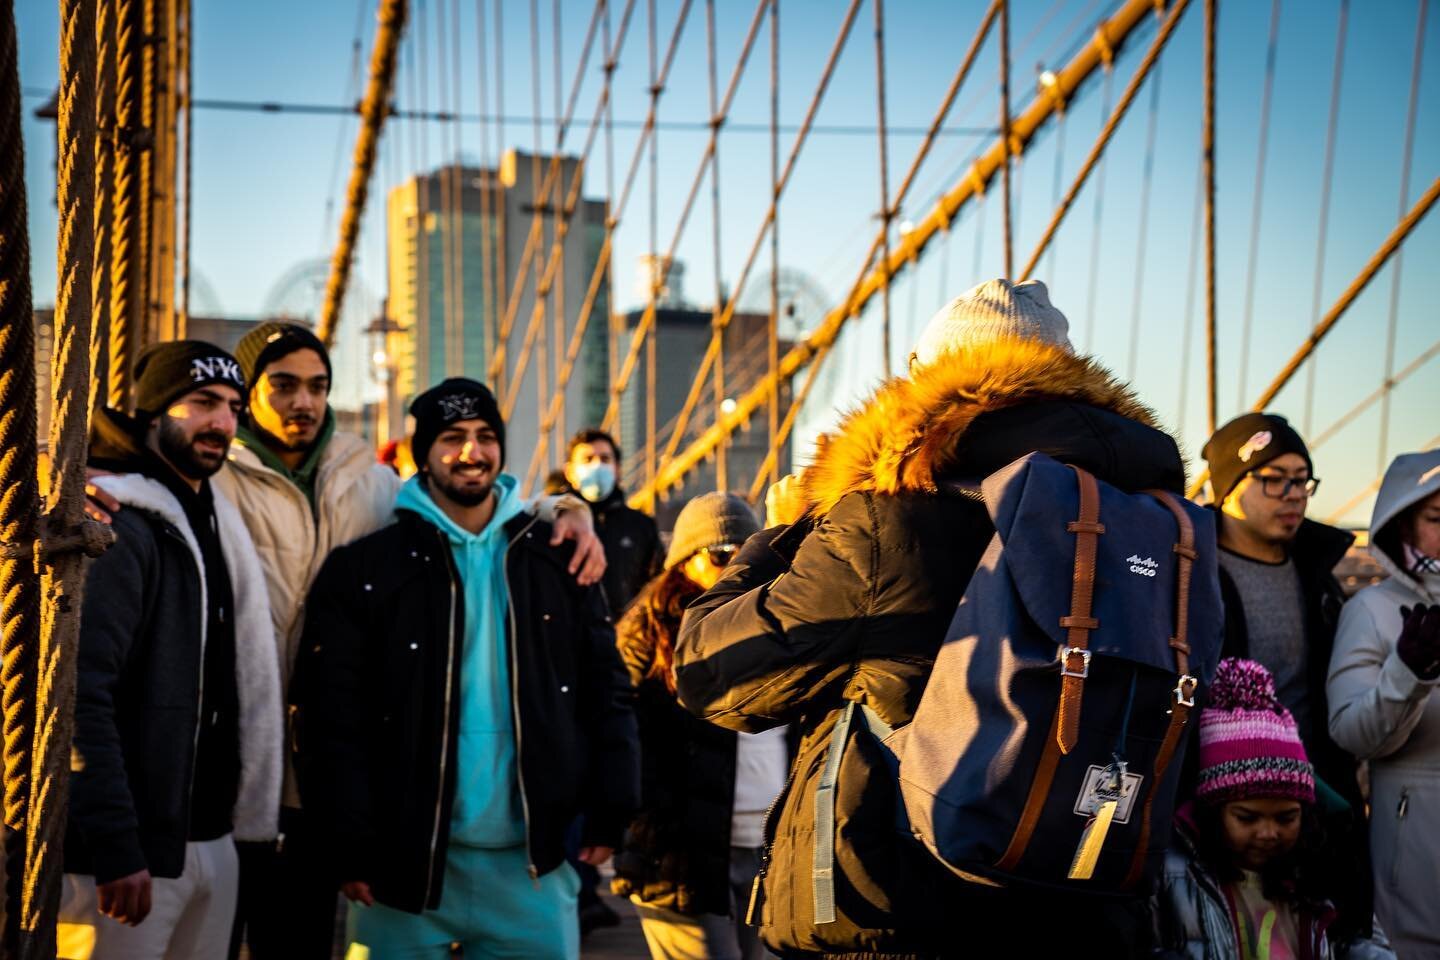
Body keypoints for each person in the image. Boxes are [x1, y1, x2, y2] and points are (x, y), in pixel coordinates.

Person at [674, 279, 1188, 957]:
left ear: (927, 382)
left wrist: (780, 536)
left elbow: (709, 673)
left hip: (903, 907)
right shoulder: (1161, 531)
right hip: (1092, 905)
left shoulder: (884, 526)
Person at [176, 321, 602, 958]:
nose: (304, 402)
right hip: (230, 764)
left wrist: (564, 509)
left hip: (330, 784)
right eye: (283, 385)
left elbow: (468, 507)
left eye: (318, 386)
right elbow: (142, 483)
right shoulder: (208, 478)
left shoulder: (367, 483)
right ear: (248, 395)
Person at [292, 378, 640, 959]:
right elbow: (331, 718)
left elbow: (607, 691)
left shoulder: (559, 560)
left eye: (484, 437)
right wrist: (348, 844)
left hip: (533, 867)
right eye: (451, 438)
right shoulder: (364, 569)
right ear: (421, 453)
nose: (470, 452)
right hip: (400, 870)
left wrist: (614, 808)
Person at [60, 342, 282, 959]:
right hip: (125, 858)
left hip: (213, 838)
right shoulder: (117, 520)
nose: (222, 422)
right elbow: (77, 692)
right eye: (202, 402)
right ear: (154, 412)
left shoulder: (215, 516)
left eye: (234, 407)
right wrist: (114, 843)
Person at [1200, 413, 1371, 943]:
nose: (1293, 493)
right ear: (1228, 488)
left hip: (1311, 811)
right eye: (1273, 478)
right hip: (1219, 815)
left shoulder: (1320, 580)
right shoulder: (1190, 573)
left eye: (1302, 479)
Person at [612, 493, 786, 960]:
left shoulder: (778, 616)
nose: (737, 567)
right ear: (683, 562)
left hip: (767, 839)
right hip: (680, 849)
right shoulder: (645, 632)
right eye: (720, 556)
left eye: (749, 552)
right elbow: (617, 734)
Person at [1153, 658, 1393, 960]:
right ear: (1213, 811)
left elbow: (1362, 942)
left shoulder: (1322, 871)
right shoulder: (1174, 874)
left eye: (1286, 818)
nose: (1268, 832)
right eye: (1247, 817)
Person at [1328, 449, 1440, 958]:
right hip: (1412, 841)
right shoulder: (1371, 609)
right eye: (1437, 518)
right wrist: (1408, 673)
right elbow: (1351, 733)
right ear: (1402, 528)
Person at [563, 427, 662, 615]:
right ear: (569, 472)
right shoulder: (554, 523)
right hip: (569, 639)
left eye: (605, 459)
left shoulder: (641, 526)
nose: (597, 466)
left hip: (626, 638)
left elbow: (656, 587)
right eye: (588, 459)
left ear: (617, 469)